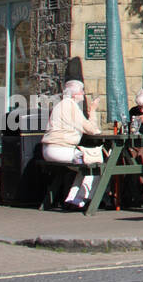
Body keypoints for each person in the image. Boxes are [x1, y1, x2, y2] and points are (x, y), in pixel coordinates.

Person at [41, 79, 103, 209]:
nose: (84, 93)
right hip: (61, 150)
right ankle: (81, 200)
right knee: (97, 165)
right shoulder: (71, 106)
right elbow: (92, 130)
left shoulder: (62, 104)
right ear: (75, 94)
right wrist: (92, 111)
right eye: (82, 91)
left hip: (50, 149)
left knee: (84, 167)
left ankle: (72, 199)